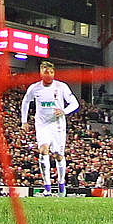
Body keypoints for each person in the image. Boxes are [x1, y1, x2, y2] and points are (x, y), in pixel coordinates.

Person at [21, 60, 80, 196]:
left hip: (57, 124)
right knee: (43, 150)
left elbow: (74, 103)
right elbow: (26, 102)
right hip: (42, 124)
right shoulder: (34, 88)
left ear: (54, 73)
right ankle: (47, 187)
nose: (48, 75)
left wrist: (64, 111)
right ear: (41, 73)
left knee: (58, 155)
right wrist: (24, 121)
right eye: (45, 72)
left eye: (51, 72)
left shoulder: (61, 87)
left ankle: (61, 184)